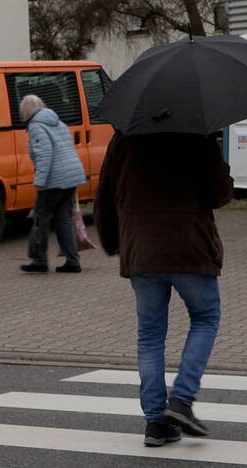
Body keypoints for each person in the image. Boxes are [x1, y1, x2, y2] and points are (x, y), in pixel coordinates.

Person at [94, 131, 233, 447]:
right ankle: (182, 400)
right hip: (190, 249)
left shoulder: (125, 137)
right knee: (206, 317)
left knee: (150, 334)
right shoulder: (196, 134)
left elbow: (104, 195)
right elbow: (218, 193)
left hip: (142, 250)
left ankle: (156, 422)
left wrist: (114, 241)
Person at [19, 94, 88, 273]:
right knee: (63, 219)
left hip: (54, 179)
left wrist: (39, 182)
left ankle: (39, 260)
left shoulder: (36, 126)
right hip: (71, 175)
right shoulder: (58, 122)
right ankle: (73, 261)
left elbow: (45, 155)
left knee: (41, 218)